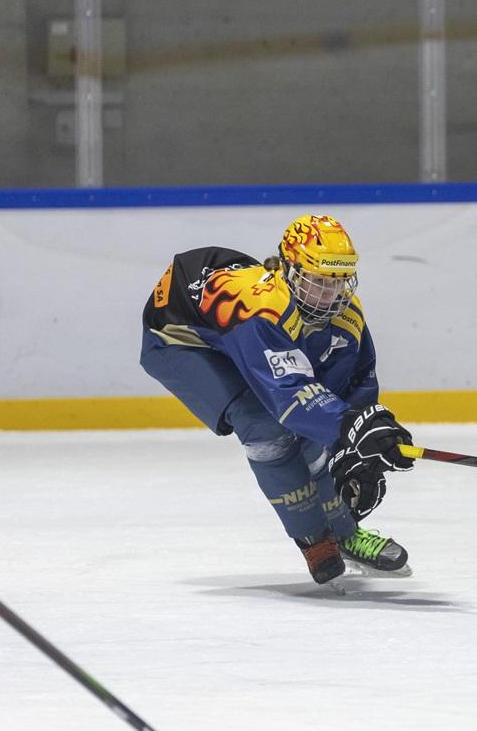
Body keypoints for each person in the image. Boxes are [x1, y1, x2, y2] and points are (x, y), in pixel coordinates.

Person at [140, 214, 415, 585]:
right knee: (264, 426)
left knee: (313, 429)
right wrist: (350, 429)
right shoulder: (262, 308)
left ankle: (346, 533)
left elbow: (353, 387)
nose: (330, 294)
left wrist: (361, 451)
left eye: (339, 281)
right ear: (290, 271)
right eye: (319, 281)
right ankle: (314, 538)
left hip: (234, 333)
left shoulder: (347, 314)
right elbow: (289, 395)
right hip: (180, 340)